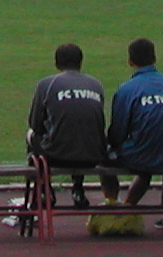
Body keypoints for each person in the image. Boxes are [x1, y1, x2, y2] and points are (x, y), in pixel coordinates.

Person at [106, 38, 163, 231]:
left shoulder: (127, 89)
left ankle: (113, 207)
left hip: (144, 156)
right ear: (155, 58)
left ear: (130, 61)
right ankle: (128, 207)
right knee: (152, 152)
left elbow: (117, 132)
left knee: (106, 157)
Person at [28, 43, 115, 209]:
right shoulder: (96, 84)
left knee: (31, 135)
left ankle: (45, 189)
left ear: (57, 63)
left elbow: (35, 124)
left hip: (57, 155)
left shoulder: (47, 84)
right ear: (80, 62)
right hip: (94, 155)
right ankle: (78, 188)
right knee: (80, 131)